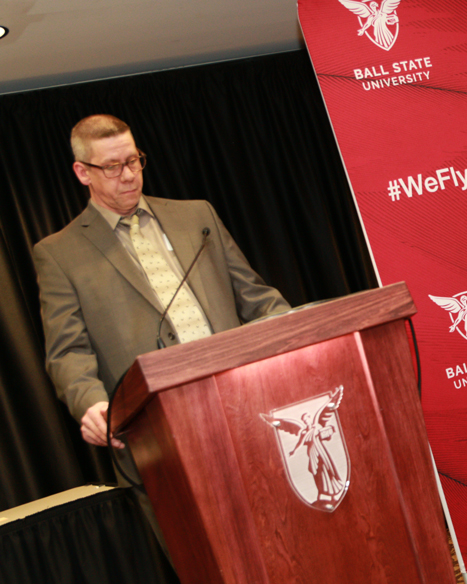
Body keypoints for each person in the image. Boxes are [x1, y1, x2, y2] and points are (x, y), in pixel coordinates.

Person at [32, 114, 290, 544]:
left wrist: (297, 334)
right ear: (82, 172)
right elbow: (67, 351)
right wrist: (91, 404)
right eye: (112, 166)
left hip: (250, 411)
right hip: (162, 441)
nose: (129, 175)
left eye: (134, 160)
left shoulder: (196, 216)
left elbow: (257, 299)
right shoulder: (59, 253)